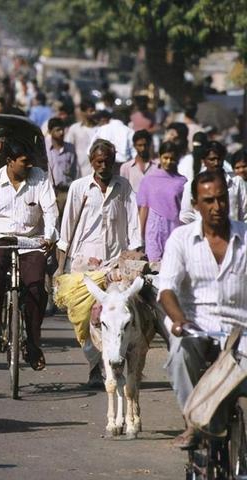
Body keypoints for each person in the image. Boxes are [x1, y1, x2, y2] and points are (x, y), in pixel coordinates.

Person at [159, 170, 247, 448]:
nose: (217, 207)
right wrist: (180, 320)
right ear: (196, 204)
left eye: (222, 199)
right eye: (209, 201)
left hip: (241, 330)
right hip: (196, 326)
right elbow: (167, 289)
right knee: (180, 350)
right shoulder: (181, 239)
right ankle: (195, 421)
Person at [0, 136, 58, 369]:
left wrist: (49, 236)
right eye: (24, 162)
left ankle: (34, 343)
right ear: (9, 161)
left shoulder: (40, 178)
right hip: (0, 239)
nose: (29, 166)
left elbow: (50, 211)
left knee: (37, 287)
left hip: (31, 242)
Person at [56, 139, 142, 386]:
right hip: (83, 264)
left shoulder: (124, 187)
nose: (104, 166)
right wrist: (60, 267)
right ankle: (94, 365)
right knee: (85, 319)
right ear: (92, 161)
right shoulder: (79, 188)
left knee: (115, 319)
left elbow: (133, 223)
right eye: (99, 161)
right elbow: (67, 229)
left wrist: (134, 253)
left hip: (115, 264)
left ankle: (114, 364)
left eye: (108, 161)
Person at [137, 141, 187, 262]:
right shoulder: (149, 180)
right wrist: (140, 236)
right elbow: (144, 208)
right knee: (154, 268)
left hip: (174, 230)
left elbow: (185, 211)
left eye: (172, 158)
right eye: (165, 158)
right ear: (159, 156)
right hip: (153, 230)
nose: (168, 162)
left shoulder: (182, 182)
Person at [179, 141, 247, 224]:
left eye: (219, 159)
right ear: (203, 161)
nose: (216, 163)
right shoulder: (192, 184)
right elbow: (186, 216)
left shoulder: (236, 181)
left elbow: (244, 213)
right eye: (212, 159)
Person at [45, 117, 77, 217]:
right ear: (50, 131)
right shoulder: (44, 148)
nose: (61, 132)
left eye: (62, 129)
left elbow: (74, 170)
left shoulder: (70, 148)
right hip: (49, 192)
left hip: (65, 191)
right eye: (58, 130)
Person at [66, 100, 97, 178]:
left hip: (96, 168)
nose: (94, 113)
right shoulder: (75, 129)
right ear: (83, 112)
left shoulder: (100, 129)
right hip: (79, 169)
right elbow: (68, 147)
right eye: (91, 111)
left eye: (94, 111)